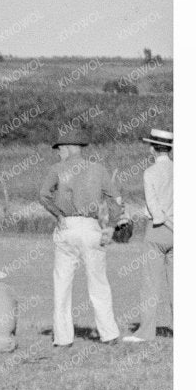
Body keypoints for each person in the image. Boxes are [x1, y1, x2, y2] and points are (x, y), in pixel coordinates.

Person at [39, 127, 125, 346]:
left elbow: (43, 196)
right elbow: (116, 200)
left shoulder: (56, 169)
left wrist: (58, 215)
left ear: (67, 148)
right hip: (91, 227)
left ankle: (63, 339)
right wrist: (112, 226)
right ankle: (109, 334)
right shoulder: (98, 169)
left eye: (59, 149)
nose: (58, 153)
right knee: (98, 283)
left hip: (67, 226)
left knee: (62, 285)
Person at [126, 128, 173, 342]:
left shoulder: (150, 172)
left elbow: (153, 205)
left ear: (153, 148)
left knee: (150, 284)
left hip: (157, 229)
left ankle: (146, 332)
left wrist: (160, 218)